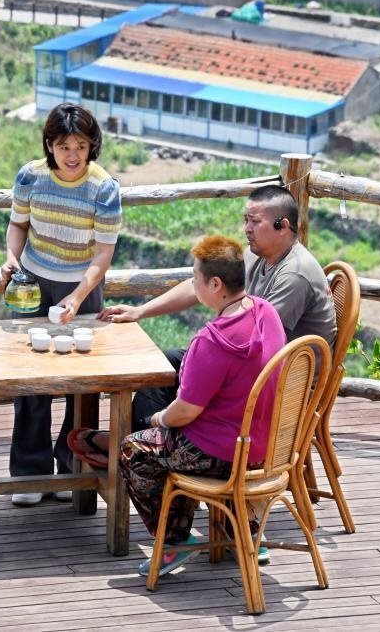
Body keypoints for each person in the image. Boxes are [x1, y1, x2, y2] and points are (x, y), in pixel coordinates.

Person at [72, 235, 286, 576]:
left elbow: (185, 411)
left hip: (220, 453)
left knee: (134, 450)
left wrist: (159, 419)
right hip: (265, 447)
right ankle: (242, 529)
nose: (192, 282)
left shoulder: (212, 340)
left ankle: (175, 540)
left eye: (195, 277)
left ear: (215, 284)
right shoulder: (266, 313)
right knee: (170, 441)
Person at [98, 184, 336, 432]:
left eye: (255, 221)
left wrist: (205, 352)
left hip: (283, 388)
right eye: (246, 220)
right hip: (253, 369)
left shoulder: (294, 275)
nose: (247, 228)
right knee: (165, 365)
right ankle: (138, 439)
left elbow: (258, 339)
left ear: (282, 226)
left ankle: (140, 442)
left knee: (192, 384)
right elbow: (199, 285)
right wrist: (140, 311)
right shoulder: (258, 254)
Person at [0, 103, 122, 506]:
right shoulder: (30, 176)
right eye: (64, 146)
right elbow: (18, 224)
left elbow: (103, 254)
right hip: (33, 285)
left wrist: (78, 296)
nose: (73, 155)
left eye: (81, 147)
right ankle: (30, 474)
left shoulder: (104, 188)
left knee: (79, 385)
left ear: (92, 147)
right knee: (30, 380)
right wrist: (11, 257)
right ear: (49, 145)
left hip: (82, 287)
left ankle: (73, 470)